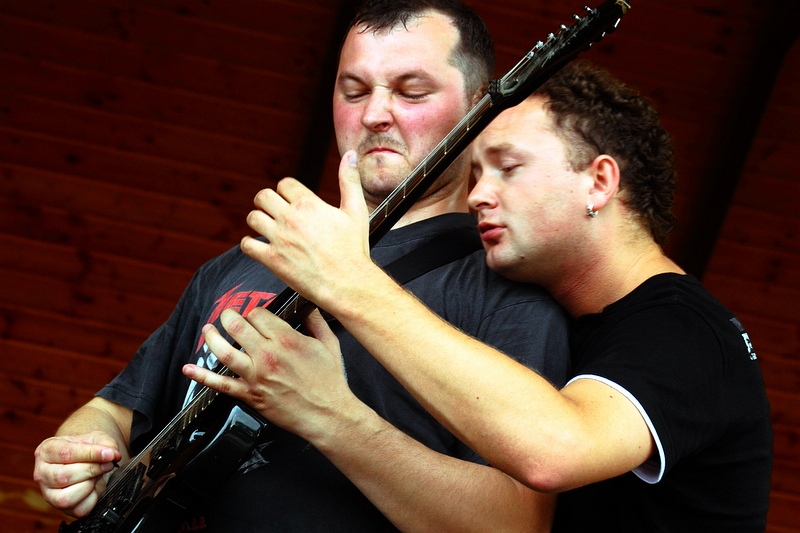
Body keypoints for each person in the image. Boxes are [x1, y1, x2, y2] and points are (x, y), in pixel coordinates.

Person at [33, 1, 571, 531]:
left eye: (411, 91)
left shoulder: (507, 291)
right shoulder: (241, 266)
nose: (374, 113)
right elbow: (117, 411)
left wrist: (330, 417)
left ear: (481, 107)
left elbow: (514, 522)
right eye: (354, 91)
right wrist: (82, 450)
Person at [211, 60, 772, 530]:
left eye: (508, 168)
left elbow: (554, 449)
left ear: (598, 182)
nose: (478, 194)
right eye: (476, 173)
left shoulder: (689, 331)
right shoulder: (567, 323)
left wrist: (351, 280)